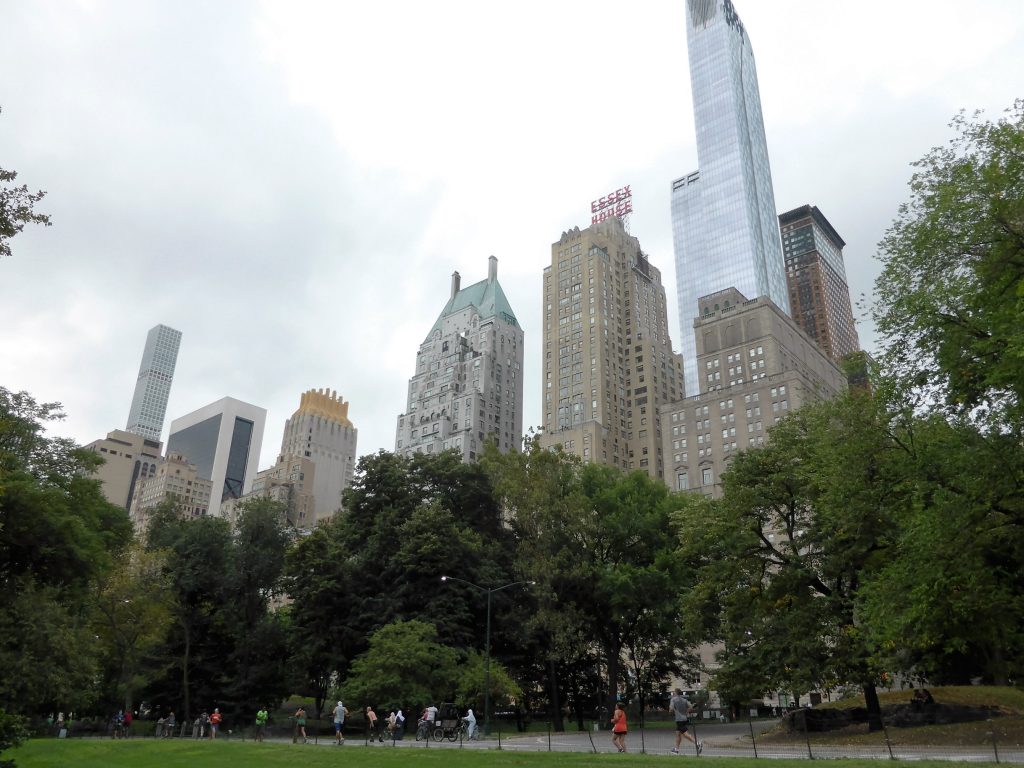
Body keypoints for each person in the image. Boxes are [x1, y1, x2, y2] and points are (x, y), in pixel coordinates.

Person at [669, 688, 702, 755]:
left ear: (675, 693)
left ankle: (697, 743)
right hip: (685, 719)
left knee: (685, 734)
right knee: (678, 734)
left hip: (679, 720)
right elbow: (691, 707)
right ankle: (676, 750)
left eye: (673, 692)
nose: (673, 694)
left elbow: (671, 708)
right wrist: (686, 711)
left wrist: (670, 710)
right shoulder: (684, 700)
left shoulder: (673, 699)